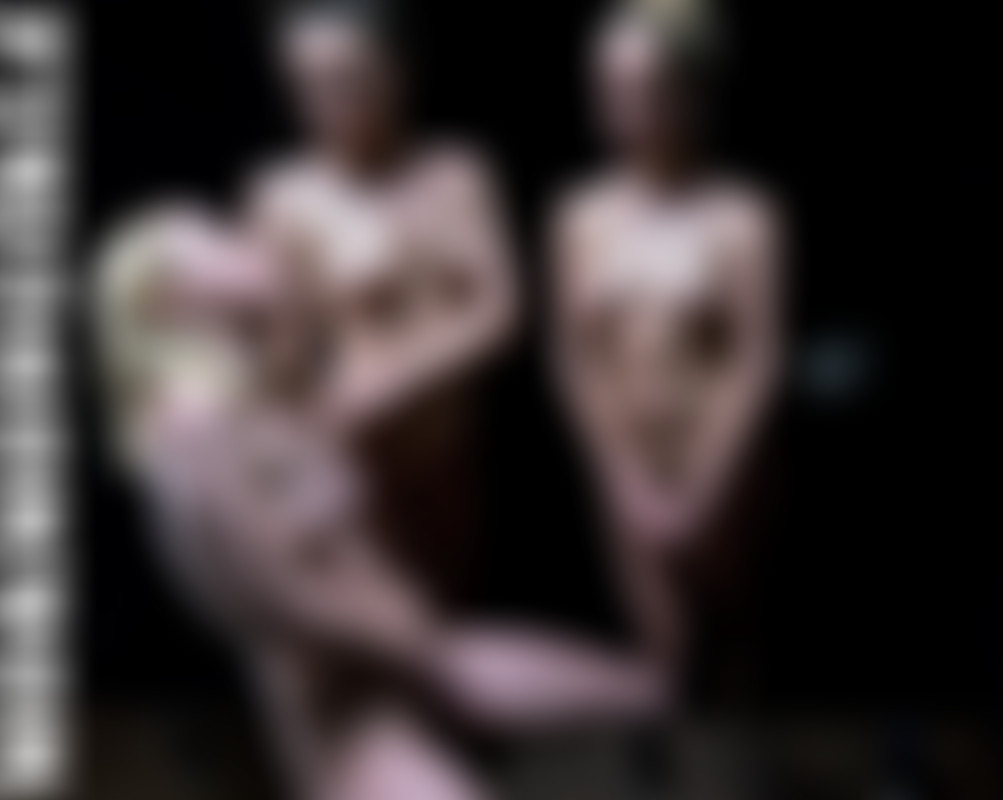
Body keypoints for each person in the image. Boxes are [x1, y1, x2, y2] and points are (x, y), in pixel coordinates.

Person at [91, 205, 665, 800]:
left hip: (402, 666)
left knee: (629, 690)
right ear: (164, 298)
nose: (234, 236)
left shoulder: (255, 400)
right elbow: (261, 591)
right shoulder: (196, 427)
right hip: (350, 713)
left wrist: (411, 640)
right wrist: (399, 634)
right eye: (208, 239)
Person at [550, 0, 784, 702]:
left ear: (692, 92)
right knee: (664, 663)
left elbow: (758, 361)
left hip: (723, 474)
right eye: (606, 85)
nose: (616, 104)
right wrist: (620, 477)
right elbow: (574, 359)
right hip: (630, 474)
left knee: (735, 662)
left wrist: (708, 489)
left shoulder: (744, 216)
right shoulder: (579, 215)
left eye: (639, 87)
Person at [247, 0, 517, 601]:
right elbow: (281, 351)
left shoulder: (455, 173)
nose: (329, 103)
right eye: (309, 86)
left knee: (455, 613)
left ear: (397, 72)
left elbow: (499, 313)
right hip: (354, 457)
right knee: (379, 623)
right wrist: (285, 446)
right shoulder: (285, 195)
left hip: (449, 454)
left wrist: (397, 381)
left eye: (348, 81)